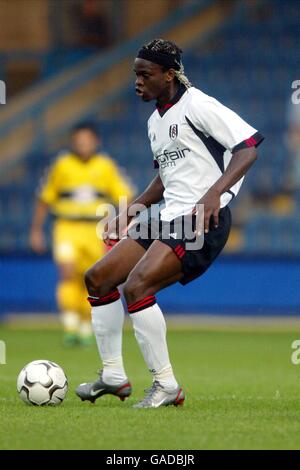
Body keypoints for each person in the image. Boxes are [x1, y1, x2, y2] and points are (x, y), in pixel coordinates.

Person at [75, 39, 264, 407]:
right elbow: (167, 177)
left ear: (169, 74)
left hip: (201, 219)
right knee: (97, 278)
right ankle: (113, 375)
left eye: (146, 75)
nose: (138, 82)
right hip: (166, 216)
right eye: (136, 75)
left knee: (137, 286)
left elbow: (249, 147)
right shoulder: (155, 122)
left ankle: (165, 386)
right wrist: (133, 208)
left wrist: (214, 193)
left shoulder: (199, 105)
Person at [30, 123, 134, 347]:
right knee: (67, 273)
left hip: (96, 229)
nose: (82, 144)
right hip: (67, 227)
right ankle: (70, 325)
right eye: (78, 140)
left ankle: (86, 326)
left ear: (95, 142)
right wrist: (36, 230)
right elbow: (44, 198)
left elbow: (126, 196)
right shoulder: (61, 165)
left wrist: (125, 224)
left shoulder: (106, 166)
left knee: (92, 279)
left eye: (86, 140)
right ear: (73, 141)